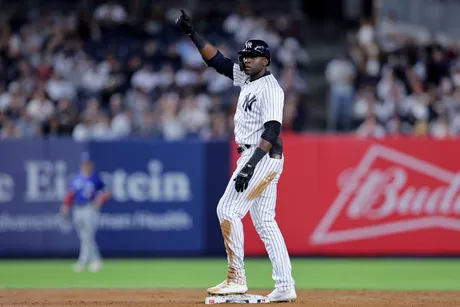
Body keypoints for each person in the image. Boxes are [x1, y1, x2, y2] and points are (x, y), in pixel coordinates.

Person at [175, 10, 297, 302]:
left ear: (265, 60)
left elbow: (272, 130)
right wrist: (194, 33)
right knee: (265, 222)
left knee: (227, 210)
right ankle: (285, 285)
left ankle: (236, 278)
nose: (246, 59)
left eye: (252, 56)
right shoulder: (247, 79)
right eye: (244, 55)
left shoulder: (270, 88)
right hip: (261, 158)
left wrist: (248, 167)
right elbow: (217, 61)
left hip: (260, 156)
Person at [60, 152, 111, 272]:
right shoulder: (77, 178)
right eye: (84, 164)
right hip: (77, 208)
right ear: (81, 165)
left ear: (91, 165)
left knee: (88, 235)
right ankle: (96, 260)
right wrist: (65, 206)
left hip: (90, 208)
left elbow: (107, 192)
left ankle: (83, 262)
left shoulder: (95, 178)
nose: (86, 166)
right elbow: (70, 194)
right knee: (83, 236)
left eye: (88, 164)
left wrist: (100, 200)